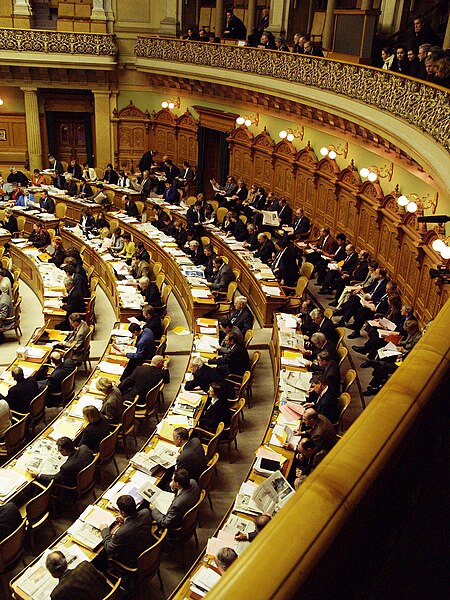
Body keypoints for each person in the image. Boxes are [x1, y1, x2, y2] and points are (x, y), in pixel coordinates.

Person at [100, 495, 153, 568]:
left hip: (133, 561)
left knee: (101, 557)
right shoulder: (146, 513)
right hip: (149, 551)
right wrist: (125, 521)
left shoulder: (121, 533)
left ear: (122, 512)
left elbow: (109, 549)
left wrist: (104, 530)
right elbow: (135, 525)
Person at [150, 468, 200, 535]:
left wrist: (154, 510)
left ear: (177, 484)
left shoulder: (177, 505)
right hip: (189, 510)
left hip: (178, 525)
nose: (171, 480)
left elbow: (165, 523)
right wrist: (174, 488)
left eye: (172, 480)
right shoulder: (193, 482)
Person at [46, 551, 110, 600]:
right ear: (66, 562)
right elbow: (104, 580)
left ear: (53, 574)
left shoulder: (56, 595)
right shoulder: (85, 566)